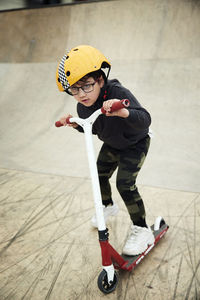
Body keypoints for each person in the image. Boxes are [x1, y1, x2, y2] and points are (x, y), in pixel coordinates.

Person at [56, 45, 154, 256]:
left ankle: (142, 229)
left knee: (125, 184)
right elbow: (93, 127)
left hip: (135, 143)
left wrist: (123, 112)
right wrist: (76, 124)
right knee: (98, 175)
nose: (81, 94)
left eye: (87, 86)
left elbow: (145, 120)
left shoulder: (119, 93)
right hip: (113, 144)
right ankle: (108, 205)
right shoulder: (83, 105)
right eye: (74, 89)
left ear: (100, 80)